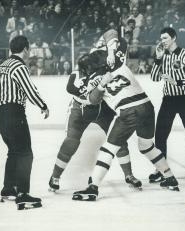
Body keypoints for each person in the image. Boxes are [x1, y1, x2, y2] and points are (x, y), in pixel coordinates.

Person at [72, 47, 179, 201]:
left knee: (108, 149)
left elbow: (93, 100)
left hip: (129, 110)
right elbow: (112, 38)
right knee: (146, 146)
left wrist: (101, 85)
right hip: (147, 107)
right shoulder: (119, 64)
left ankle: (93, 187)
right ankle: (169, 177)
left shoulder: (94, 78)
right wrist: (109, 53)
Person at [49, 29, 142, 191]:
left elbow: (112, 34)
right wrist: (85, 89)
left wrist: (112, 53)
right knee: (71, 141)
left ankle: (128, 174)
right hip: (83, 107)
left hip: (101, 106)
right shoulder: (88, 61)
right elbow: (70, 87)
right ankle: (55, 176)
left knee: (118, 139)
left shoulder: (110, 55)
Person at [0, 35, 49, 210]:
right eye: (29, 49)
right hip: (13, 113)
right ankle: (23, 194)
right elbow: (29, 89)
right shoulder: (18, 66)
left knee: (14, 151)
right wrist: (43, 105)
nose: (29, 52)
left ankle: (9, 189)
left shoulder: (3, 65)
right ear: (25, 49)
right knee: (25, 153)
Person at [150, 27, 185, 183]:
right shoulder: (162, 56)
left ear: (173, 38)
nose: (162, 41)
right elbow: (154, 78)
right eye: (161, 38)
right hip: (169, 100)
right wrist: (157, 59)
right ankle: (161, 170)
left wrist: (177, 81)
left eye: (165, 38)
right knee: (160, 135)